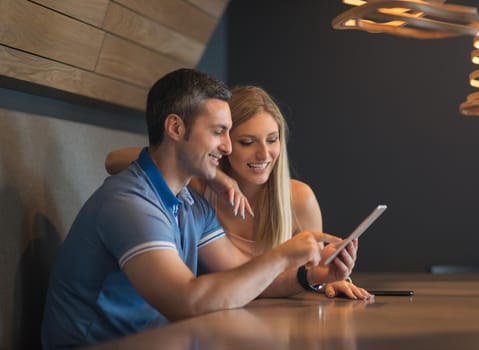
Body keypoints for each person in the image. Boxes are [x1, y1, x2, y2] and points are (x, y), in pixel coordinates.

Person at [41, 68, 355, 349]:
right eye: (219, 132)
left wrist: (313, 275)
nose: (228, 147)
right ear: (176, 128)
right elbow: (186, 301)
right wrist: (283, 254)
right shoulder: (130, 203)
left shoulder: (191, 204)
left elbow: (243, 278)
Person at [105, 85, 371, 299]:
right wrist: (215, 175)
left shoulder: (299, 198)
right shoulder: (198, 190)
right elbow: (114, 160)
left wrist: (330, 281)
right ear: (224, 141)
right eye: (247, 142)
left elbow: (311, 274)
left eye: (272, 139)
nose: (264, 154)